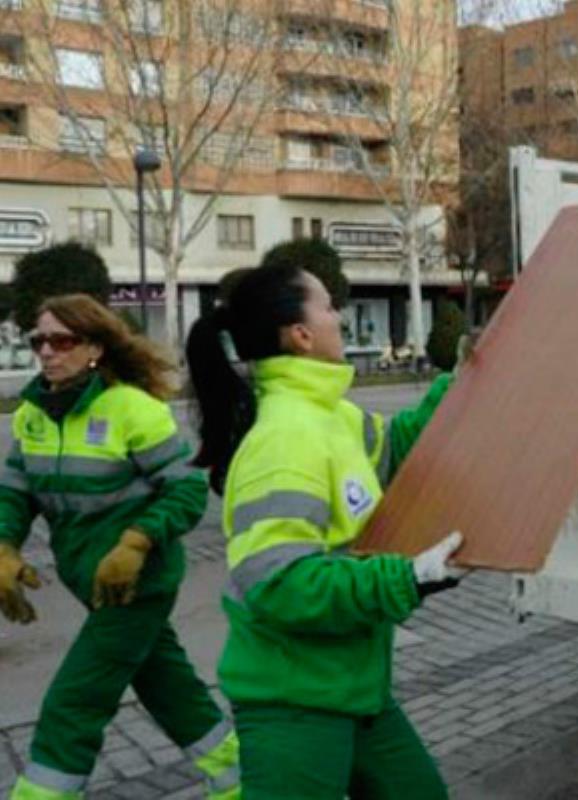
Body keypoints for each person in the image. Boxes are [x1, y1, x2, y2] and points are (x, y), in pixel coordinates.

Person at [185, 263, 463, 799]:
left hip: (354, 689)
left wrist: (460, 384)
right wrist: (407, 578)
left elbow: (395, 448)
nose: (340, 315)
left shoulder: (332, 416)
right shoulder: (283, 439)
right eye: (328, 305)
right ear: (301, 334)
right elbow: (279, 586)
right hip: (294, 703)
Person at [0, 295, 240, 800]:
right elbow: (15, 491)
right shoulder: (33, 414)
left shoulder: (133, 408)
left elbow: (187, 487)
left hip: (139, 584)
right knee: (169, 688)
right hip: (90, 581)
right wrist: (4, 546)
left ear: (94, 348)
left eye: (60, 340)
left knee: (76, 700)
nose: (46, 351)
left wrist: (135, 542)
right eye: (37, 340)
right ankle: (238, 777)